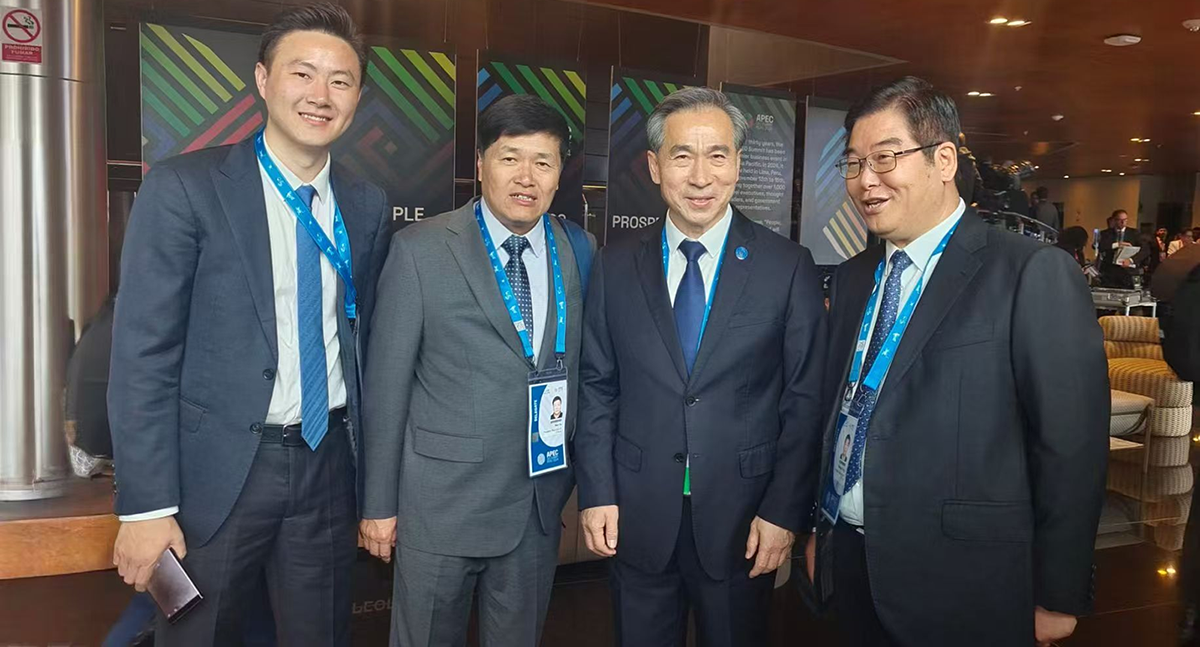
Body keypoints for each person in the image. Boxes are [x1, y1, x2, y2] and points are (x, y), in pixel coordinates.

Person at [107, 2, 391, 646]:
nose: (320, 95)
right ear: (263, 80)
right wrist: (147, 506)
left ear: (356, 98)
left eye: (340, 81)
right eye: (302, 73)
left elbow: (363, 340)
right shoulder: (186, 187)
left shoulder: (366, 204)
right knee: (195, 635)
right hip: (216, 474)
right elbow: (143, 354)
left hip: (328, 465)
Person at [805, 77, 1109, 646]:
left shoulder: (1028, 272)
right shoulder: (851, 279)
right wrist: (822, 526)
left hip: (967, 581)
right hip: (852, 562)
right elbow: (840, 408)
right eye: (853, 163)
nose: (865, 180)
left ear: (943, 159)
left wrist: (1058, 592)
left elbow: (1071, 447)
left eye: (885, 157)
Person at [575, 87, 827, 646]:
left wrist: (784, 512)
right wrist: (597, 492)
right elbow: (597, 386)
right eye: (682, 156)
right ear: (654, 166)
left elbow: (805, 401)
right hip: (637, 513)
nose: (700, 176)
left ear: (737, 163)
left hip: (745, 520)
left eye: (717, 155)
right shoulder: (615, 264)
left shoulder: (787, 267)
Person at [358, 94, 593, 647]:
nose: (526, 177)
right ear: (482, 163)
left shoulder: (578, 249)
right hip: (440, 506)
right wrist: (378, 505)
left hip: (536, 506)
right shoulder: (419, 250)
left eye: (543, 161)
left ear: (559, 172)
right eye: (511, 158)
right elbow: (387, 388)